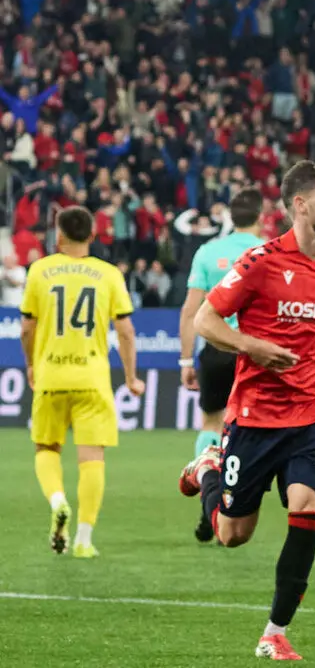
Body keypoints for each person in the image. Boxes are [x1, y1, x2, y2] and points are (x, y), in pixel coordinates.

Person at [176, 160, 315, 661]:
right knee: (233, 535)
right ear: (301, 204)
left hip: (311, 417)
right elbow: (207, 320)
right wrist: (252, 346)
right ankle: (207, 467)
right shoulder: (260, 262)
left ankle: (275, 631)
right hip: (253, 417)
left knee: (307, 507)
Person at [19, 206, 145, 558]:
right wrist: (132, 378)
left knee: (46, 448)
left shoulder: (40, 271)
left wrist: (30, 365)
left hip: (51, 375)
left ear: (58, 236)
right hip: (92, 379)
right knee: (92, 459)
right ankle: (84, 540)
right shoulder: (107, 274)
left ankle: (58, 500)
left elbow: (27, 327)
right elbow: (126, 331)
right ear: (93, 235)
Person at [177, 189, 266, 543]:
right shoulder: (268, 251)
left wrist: (186, 359)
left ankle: (207, 496)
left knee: (211, 423)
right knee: (249, 425)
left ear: (230, 216)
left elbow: (190, 310)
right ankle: (234, 500)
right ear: (260, 216)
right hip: (252, 350)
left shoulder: (208, 252)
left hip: (214, 349)